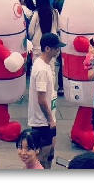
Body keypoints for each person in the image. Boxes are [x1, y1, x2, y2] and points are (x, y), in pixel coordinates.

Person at [28, 32, 65, 169]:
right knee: (43, 157)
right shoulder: (42, 69)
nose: (58, 50)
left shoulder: (43, 64)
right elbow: (41, 99)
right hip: (42, 121)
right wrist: (50, 120)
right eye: (56, 48)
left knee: (50, 153)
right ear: (48, 48)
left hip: (48, 119)